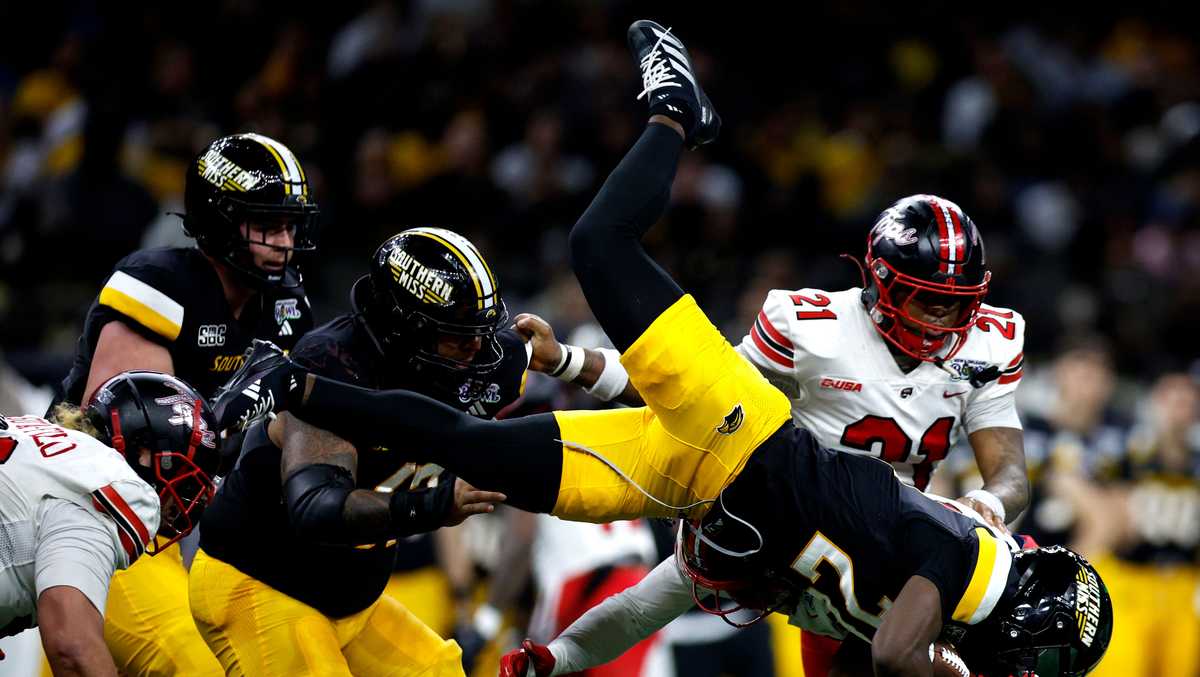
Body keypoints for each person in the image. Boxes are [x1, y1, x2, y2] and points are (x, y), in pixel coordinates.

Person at [268, 20, 1112, 676]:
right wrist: (570, 365)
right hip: (742, 438)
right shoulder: (935, 539)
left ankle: (294, 387)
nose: (943, 321)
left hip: (710, 498)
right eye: (926, 299)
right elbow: (699, 398)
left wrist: (559, 657)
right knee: (598, 249)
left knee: (481, 451)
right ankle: (677, 112)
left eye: (954, 303)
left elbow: (658, 594)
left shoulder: (865, 589)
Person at [191, 227, 525, 676]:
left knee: (442, 669)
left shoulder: (478, 359)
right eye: (459, 336)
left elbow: (534, 355)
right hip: (265, 584)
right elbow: (317, 508)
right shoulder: (332, 366)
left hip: (352, 604)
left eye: (482, 333)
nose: (479, 350)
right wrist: (433, 503)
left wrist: (568, 361)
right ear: (409, 330)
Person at [48, 131, 320, 675]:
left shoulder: (285, 302)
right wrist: (233, 406)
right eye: (266, 225)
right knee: (194, 664)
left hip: (201, 518)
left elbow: (297, 425)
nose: (282, 242)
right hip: (108, 515)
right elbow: (136, 439)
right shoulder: (159, 285)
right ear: (220, 223)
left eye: (289, 225)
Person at [1, 371, 218, 675]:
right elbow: (73, 647)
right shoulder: (112, 488)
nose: (186, 499)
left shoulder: (41, 439)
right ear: (143, 453)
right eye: (181, 474)